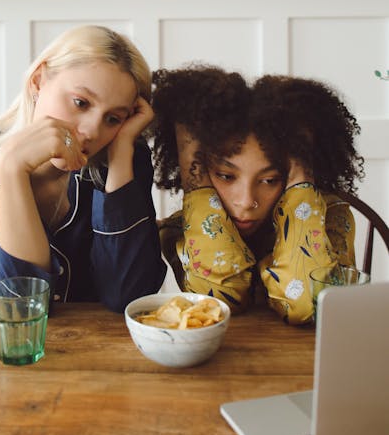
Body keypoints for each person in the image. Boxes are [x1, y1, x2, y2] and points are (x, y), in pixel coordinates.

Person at [0, 25, 166, 312]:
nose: (90, 131)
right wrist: (11, 169)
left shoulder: (123, 161)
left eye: (113, 118)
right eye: (80, 103)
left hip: (93, 347)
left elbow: (129, 296)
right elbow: (18, 304)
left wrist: (123, 151)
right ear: (38, 80)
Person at [151, 65, 364, 324]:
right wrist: (194, 179)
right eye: (226, 176)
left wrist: (300, 171)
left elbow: (309, 304)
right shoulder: (182, 228)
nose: (246, 201)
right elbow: (218, 299)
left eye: (269, 180)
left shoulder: (330, 217)